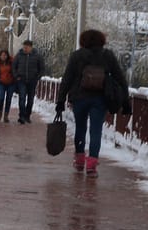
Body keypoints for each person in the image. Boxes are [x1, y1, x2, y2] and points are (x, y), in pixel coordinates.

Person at [55, 29, 130, 175]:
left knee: (80, 128)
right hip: (100, 98)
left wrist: (60, 100)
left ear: (83, 41)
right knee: (96, 130)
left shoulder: (77, 56)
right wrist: (125, 100)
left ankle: (80, 159)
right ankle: (92, 164)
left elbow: (67, 79)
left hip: (79, 97)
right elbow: (120, 78)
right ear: (101, 40)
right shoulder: (107, 55)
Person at [12, 39, 45, 124]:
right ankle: (22, 116)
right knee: (22, 98)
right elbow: (14, 66)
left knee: (30, 99)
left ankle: (27, 115)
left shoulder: (37, 56)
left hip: (32, 80)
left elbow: (41, 68)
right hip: (21, 80)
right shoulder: (19, 56)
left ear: (31, 47)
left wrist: (37, 77)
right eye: (24, 47)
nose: (25, 49)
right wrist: (16, 76)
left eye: (26, 47)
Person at [0, 49, 17, 122]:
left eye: (5, 55)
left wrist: (15, 77)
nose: (3, 57)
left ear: (7, 56)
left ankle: (6, 115)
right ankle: (0, 112)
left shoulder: (12, 62)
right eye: (2, 55)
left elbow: (16, 69)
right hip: (1, 82)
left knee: (9, 98)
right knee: (1, 98)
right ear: (0, 56)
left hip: (11, 83)